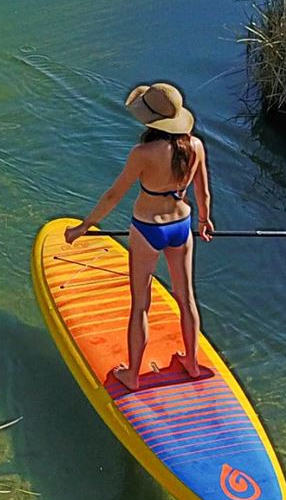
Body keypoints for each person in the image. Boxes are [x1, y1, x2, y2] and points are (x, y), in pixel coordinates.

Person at [67, 82, 214, 391]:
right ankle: (192, 362)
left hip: (148, 229)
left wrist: (84, 226)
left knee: (141, 305)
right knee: (186, 298)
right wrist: (204, 220)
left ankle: (132, 375)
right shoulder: (196, 146)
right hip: (182, 226)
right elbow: (203, 190)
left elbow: (113, 196)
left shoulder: (143, 153)